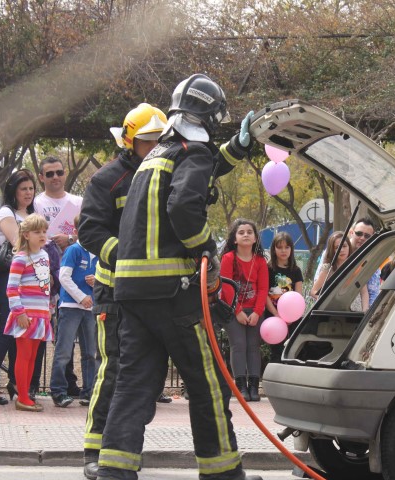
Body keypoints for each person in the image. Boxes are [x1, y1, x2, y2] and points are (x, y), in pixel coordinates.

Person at [98, 73, 260, 480]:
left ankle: (114, 471)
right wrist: (207, 252)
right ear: (210, 115)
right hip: (175, 293)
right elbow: (185, 207)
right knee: (207, 383)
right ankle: (222, 472)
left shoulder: (156, 155)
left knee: (133, 385)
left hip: (132, 294)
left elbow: (201, 163)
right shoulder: (192, 153)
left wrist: (237, 149)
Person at [78, 102, 169, 479]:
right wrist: (126, 255)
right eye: (148, 142)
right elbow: (90, 231)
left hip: (155, 292)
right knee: (114, 368)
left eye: (160, 141)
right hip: (114, 291)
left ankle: (124, 449)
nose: (156, 148)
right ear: (130, 142)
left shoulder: (168, 174)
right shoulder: (108, 180)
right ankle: (95, 449)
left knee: (145, 373)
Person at [0, 169, 37, 406]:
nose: (28, 193)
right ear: (13, 190)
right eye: (23, 188)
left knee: (22, 332)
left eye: (31, 188)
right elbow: (19, 243)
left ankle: (16, 381)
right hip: (10, 276)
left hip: (32, 280)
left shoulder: (33, 212)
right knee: (6, 329)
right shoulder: (6, 212)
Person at [33, 155, 80, 398]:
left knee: (69, 334)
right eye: (49, 174)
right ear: (41, 177)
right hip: (46, 276)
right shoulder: (36, 203)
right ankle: (36, 384)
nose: (55, 177)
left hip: (76, 278)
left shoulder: (78, 201)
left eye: (59, 172)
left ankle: (69, 382)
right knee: (48, 333)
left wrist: (70, 240)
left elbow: (90, 232)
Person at [3, 213, 52, 412]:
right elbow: (11, 289)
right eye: (37, 232)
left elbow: (45, 286)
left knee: (33, 356)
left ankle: (26, 395)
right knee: (23, 355)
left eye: (44, 231)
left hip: (41, 314)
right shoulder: (20, 258)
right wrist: (19, 312)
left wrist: (48, 309)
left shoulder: (45, 256)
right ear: (26, 235)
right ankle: (22, 397)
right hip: (26, 314)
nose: (42, 235)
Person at [50, 215, 97, 408]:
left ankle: (89, 391)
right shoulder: (74, 250)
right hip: (71, 307)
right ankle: (58, 391)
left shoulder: (98, 254)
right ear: (76, 233)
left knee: (90, 352)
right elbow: (64, 277)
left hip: (90, 309)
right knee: (63, 351)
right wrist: (81, 297)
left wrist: (98, 281)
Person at [220, 219, 269, 402]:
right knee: (238, 345)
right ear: (234, 239)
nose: (246, 234)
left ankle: (254, 385)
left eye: (250, 232)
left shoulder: (260, 261)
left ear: (255, 238)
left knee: (253, 347)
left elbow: (263, 288)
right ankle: (240, 386)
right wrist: (238, 311)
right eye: (241, 232)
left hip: (255, 311)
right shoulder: (228, 259)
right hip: (234, 311)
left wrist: (257, 312)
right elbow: (226, 287)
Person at [265, 232, 303, 364]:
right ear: (274, 249)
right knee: (276, 350)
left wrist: (291, 317)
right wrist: (276, 314)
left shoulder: (296, 271)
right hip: (273, 317)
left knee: (291, 350)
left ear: (291, 249)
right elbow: (264, 294)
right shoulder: (268, 269)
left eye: (287, 247)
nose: (283, 250)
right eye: (279, 247)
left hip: (292, 319)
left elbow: (298, 296)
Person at [310, 231, 352, 299]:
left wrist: (365, 308)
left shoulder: (355, 264)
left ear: (349, 246)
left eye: (344, 246)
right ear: (332, 250)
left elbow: (364, 291)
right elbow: (313, 291)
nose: (341, 250)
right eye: (337, 247)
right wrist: (324, 300)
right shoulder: (327, 268)